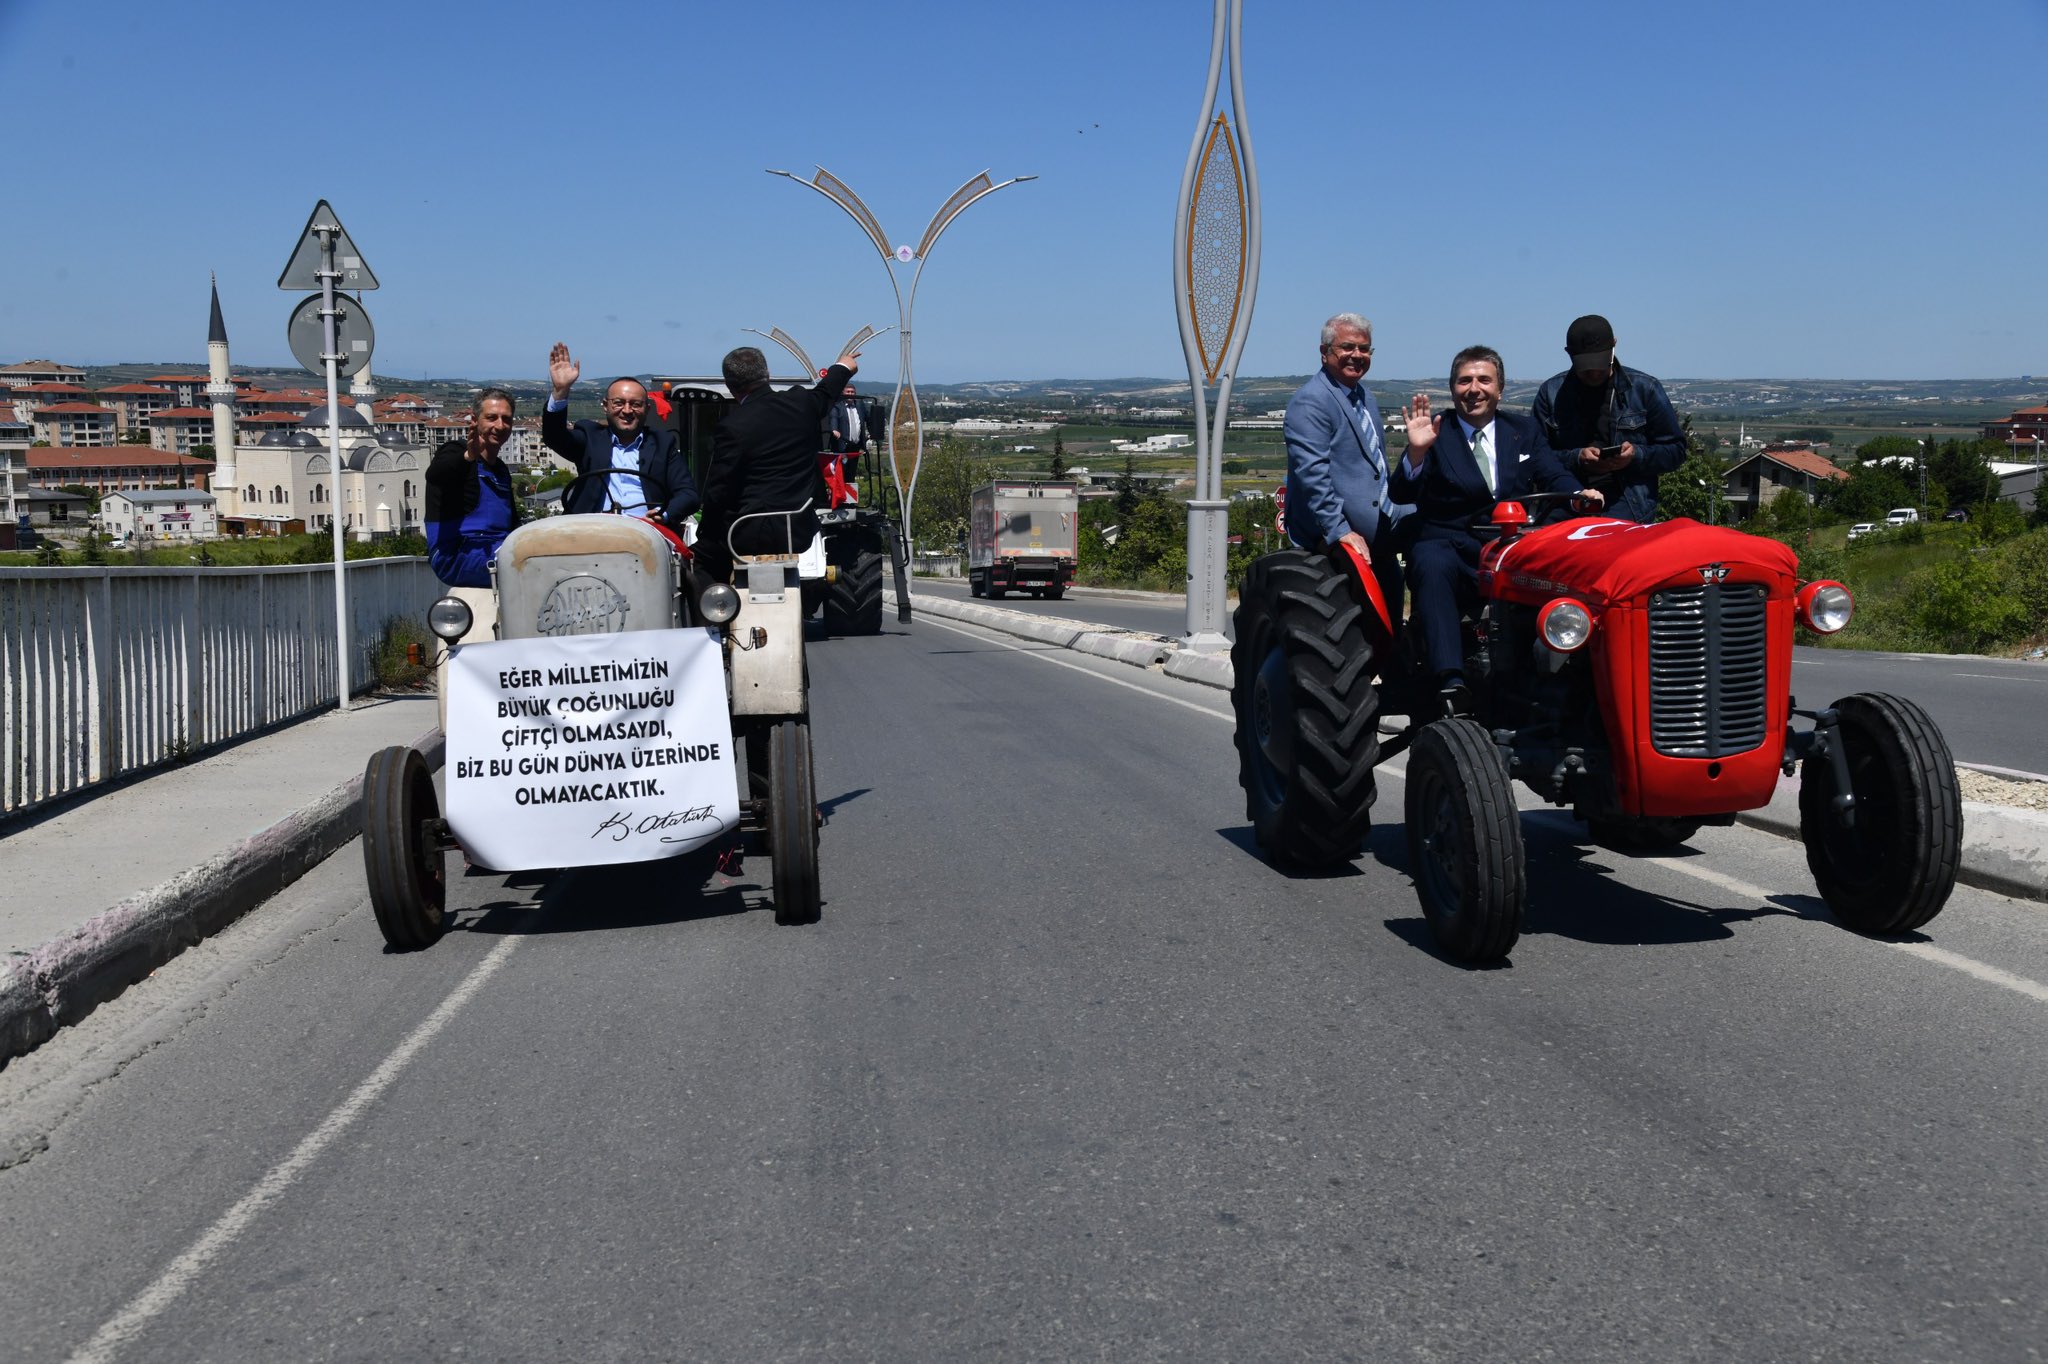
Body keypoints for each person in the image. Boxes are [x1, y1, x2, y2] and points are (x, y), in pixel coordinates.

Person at [1394, 346, 1602, 710]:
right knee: (1429, 558)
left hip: (1514, 547)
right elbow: (1401, 491)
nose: (1474, 389)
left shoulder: (1522, 430)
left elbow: (1553, 474)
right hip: (1454, 549)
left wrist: (1578, 495)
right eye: (1464, 381)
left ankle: (1570, 672)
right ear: (1453, 388)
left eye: (1483, 380)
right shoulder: (1434, 433)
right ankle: (1450, 680)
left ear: (1500, 389)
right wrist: (1415, 454)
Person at [1281, 312, 1411, 615]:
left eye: (1364, 349)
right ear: (1325, 353)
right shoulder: (1311, 401)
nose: (1357, 355)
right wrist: (1340, 531)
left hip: (1380, 524)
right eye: (1347, 347)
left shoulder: (1364, 396)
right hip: (1339, 534)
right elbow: (1313, 475)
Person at [695, 344, 859, 582]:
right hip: (798, 530)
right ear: (767, 374)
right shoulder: (801, 403)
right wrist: (844, 366)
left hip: (747, 533)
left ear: (730, 386)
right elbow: (827, 391)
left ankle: (713, 617)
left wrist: (706, 533)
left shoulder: (732, 426)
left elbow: (719, 490)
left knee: (700, 561)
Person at [1530, 314, 1684, 524]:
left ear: (1614, 346)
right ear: (1569, 354)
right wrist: (1577, 459)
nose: (1594, 373)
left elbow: (1676, 451)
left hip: (1628, 505)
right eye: (1586, 366)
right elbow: (1534, 458)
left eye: (1600, 363)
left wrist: (1635, 456)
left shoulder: (1645, 389)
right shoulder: (1551, 393)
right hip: (1567, 502)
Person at [542, 342, 700, 524]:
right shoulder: (589, 436)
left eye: (635, 404)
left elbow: (688, 494)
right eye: (618, 403)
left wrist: (661, 513)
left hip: (647, 531)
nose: (627, 410)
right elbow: (554, 437)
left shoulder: (662, 444)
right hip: (590, 530)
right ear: (605, 406)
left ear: (647, 409)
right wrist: (561, 392)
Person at [425, 388, 519, 588]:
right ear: (475, 421)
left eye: (506, 419)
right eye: (492, 418)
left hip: (497, 549)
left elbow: (513, 525)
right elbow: (435, 476)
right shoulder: (455, 452)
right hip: (457, 554)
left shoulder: (501, 470)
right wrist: (468, 457)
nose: (500, 425)